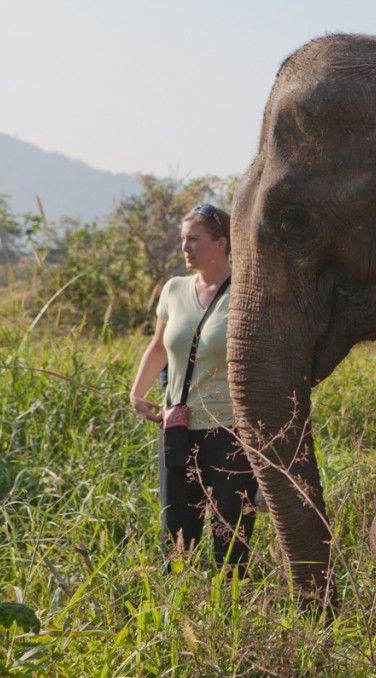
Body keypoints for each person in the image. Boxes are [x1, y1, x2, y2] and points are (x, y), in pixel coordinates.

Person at [130, 203, 258, 574]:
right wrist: (137, 393)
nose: (185, 247)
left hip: (230, 431)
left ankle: (233, 617)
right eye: (182, 239)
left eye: (193, 239)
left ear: (221, 243)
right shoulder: (174, 289)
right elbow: (158, 347)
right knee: (176, 535)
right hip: (178, 428)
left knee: (230, 537)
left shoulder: (246, 291)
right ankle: (177, 609)